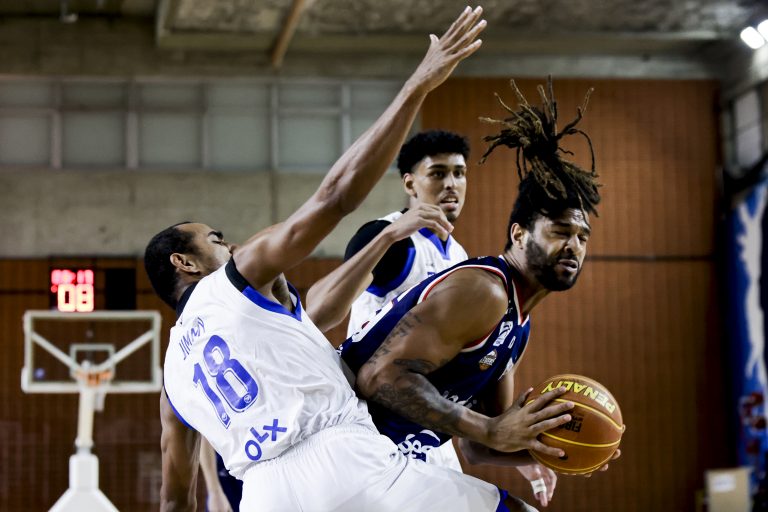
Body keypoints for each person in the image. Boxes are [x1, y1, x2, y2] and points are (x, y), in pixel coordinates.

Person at [146, 8, 569, 511]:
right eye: (216, 239)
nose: (230, 245)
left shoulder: (173, 380)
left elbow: (174, 499)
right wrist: (416, 85)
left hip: (263, 494)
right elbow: (335, 196)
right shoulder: (238, 280)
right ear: (185, 263)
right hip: (345, 455)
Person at [334, 78, 617, 508]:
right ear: (518, 235)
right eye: (560, 231)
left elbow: (480, 443)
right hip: (351, 443)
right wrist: (490, 430)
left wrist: (550, 450)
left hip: (405, 451)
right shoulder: (482, 287)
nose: (573, 246)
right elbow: (378, 377)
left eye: (582, 237)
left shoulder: (517, 324)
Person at [306, 129, 471, 474]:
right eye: (438, 173)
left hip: (428, 416)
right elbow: (317, 311)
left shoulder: (459, 256)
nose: (451, 184)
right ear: (410, 184)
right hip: (373, 419)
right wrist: (388, 236)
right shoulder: (388, 237)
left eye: (459, 173)